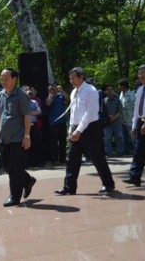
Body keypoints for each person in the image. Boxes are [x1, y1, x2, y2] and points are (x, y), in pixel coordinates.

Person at [55, 67, 115, 195]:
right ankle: (69, 187)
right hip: (77, 128)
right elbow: (73, 112)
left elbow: (90, 113)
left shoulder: (91, 91)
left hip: (90, 128)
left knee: (97, 157)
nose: (71, 81)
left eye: (74, 78)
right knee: (72, 158)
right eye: (70, 78)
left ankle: (108, 184)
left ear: (81, 77)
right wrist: (72, 129)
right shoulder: (74, 92)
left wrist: (79, 130)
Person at [0, 67, 36, 207]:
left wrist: (27, 135)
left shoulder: (21, 95)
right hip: (4, 137)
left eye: (6, 79)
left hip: (18, 137)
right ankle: (27, 180)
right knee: (5, 165)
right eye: (1, 79)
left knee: (15, 168)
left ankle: (14, 196)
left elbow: (27, 116)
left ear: (14, 79)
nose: (3, 82)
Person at [45, 82, 70, 164]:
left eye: (55, 87)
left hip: (62, 121)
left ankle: (63, 158)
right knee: (54, 142)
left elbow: (68, 100)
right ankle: (54, 159)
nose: (54, 88)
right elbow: (48, 103)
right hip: (53, 122)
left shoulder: (60, 96)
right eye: (51, 87)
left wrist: (62, 90)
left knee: (63, 141)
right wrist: (51, 93)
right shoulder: (49, 97)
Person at [102, 84, 124, 157]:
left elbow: (120, 111)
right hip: (108, 122)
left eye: (111, 89)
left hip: (117, 121)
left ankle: (120, 152)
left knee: (119, 136)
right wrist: (109, 117)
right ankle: (108, 152)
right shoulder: (104, 101)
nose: (110, 91)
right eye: (108, 89)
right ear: (106, 91)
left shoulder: (117, 100)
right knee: (108, 137)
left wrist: (115, 117)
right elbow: (102, 111)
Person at [26, 89, 44, 167]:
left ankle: (38, 161)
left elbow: (39, 111)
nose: (29, 95)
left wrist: (29, 112)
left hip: (34, 125)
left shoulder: (34, 102)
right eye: (28, 94)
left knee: (36, 144)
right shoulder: (22, 103)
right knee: (27, 144)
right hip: (26, 126)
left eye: (30, 94)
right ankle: (28, 162)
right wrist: (33, 112)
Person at [118, 79, 136, 154]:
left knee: (132, 135)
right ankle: (126, 150)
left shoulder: (132, 94)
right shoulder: (121, 93)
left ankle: (137, 149)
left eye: (119, 85)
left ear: (123, 86)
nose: (118, 87)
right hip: (122, 119)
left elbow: (135, 106)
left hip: (130, 118)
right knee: (124, 136)